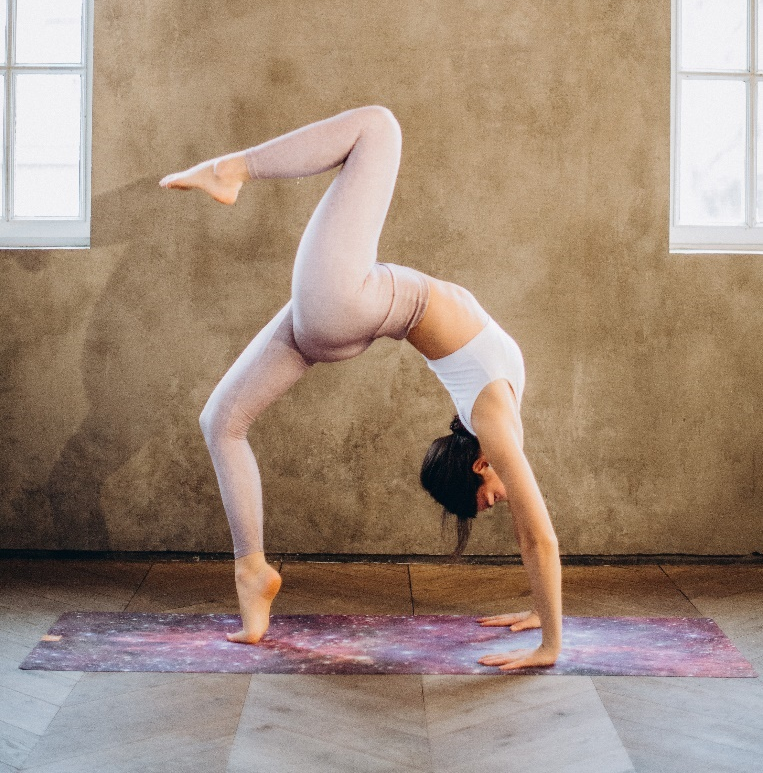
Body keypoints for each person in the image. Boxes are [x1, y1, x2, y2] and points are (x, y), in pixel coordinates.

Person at [160, 106, 561, 670]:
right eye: (489, 497)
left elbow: (532, 533)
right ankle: (252, 571)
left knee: (381, 126)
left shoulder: (494, 420)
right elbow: (536, 536)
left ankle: (234, 170)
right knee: (220, 422)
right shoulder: (497, 417)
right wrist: (549, 637)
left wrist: (547, 626)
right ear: (477, 467)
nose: (500, 498)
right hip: (348, 309)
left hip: (351, 305)